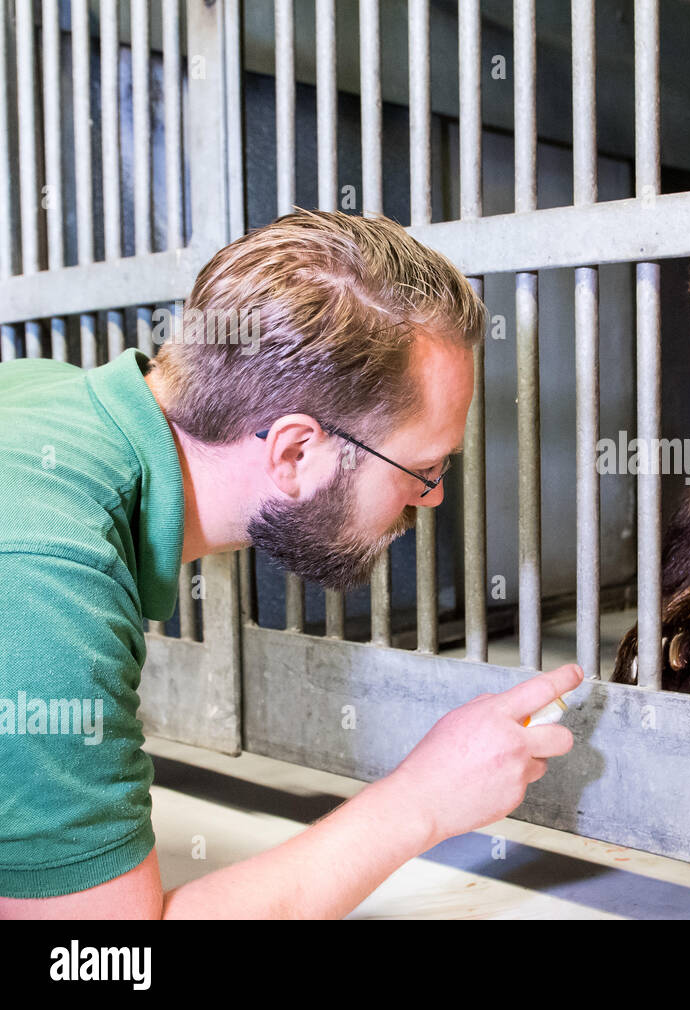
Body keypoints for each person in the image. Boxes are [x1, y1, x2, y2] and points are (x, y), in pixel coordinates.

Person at [0, 208, 581, 918]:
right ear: (297, 453)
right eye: (422, 467)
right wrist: (421, 804)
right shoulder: (48, 575)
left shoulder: (39, 399)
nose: (430, 499)